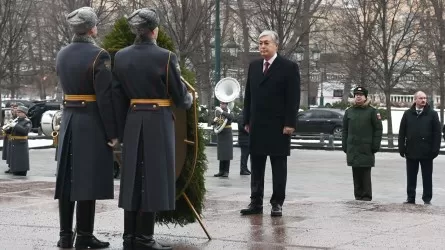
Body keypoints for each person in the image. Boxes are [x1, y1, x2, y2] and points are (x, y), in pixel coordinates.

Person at [112, 8, 193, 250]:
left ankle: (129, 236)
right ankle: (145, 238)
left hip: (133, 119)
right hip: (158, 121)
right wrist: (189, 99)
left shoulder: (121, 57)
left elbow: (117, 97)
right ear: (154, 31)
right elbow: (180, 97)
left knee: (132, 179)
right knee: (154, 178)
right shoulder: (166, 57)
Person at [54, 6, 118, 249]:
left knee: (67, 181)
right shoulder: (99, 55)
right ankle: (84, 234)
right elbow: (104, 98)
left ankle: (64, 236)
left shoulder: (62, 54)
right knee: (87, 180)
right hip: (91, 122)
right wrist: (112, 133)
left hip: (69, 119)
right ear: (91, 29)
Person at [240, 30, 300, 217]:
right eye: (260, 43)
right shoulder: (254, 66)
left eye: (266, 43)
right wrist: (246, 119)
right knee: (256, 165)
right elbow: (248, 96)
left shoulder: (288, 67)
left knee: (278, 166)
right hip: (257, 125)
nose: (263, 47)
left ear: (276, 45)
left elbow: (293, 98)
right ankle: (255, 202)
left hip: (279, 126)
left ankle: (277, 203)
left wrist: (290, 123)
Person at [398, 91, 441, 205]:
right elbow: (402, 132)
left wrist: (435, 149)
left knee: (427, 176)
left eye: (425, 98)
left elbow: (437, 133)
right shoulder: (408, 114)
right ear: (415, 100)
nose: (423, 100)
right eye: (421, 98)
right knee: (411, 176)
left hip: (427, 151)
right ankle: (410, 197)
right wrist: (401, 148)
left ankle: (427, 198)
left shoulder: (432, 114)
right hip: (411, 150)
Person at [342, 87, 383, 201]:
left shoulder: (372, 111)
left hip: (366, 147)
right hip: (353, 147)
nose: (358, 96)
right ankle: (358, 195)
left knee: (365, 172)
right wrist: (344, 144)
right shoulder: (349, 111)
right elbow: (345, 130)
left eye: (360, 94)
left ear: (365, 97)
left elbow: (378, 129)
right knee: (355, 172)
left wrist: (375, 145)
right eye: (356, 94)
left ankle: (366, 196)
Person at [4, 105, 32, 176]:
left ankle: (21, 171)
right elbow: (11, 131)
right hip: (14, 143)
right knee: (14, 159)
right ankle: (14, 169)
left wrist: (15, 125)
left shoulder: (27, 121)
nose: (17, 113)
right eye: (17, 112)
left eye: (19, 112)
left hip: (21, 143)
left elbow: (25, 131)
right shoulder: (16, 120)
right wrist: (7, 128)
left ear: (24, 113)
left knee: (21, 159)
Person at [212, 101, 234, 177]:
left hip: (227, 134)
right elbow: (216, 122)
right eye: (221, 104)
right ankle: (221, 171)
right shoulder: (218, 112)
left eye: (223, 104)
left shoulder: (229, 111)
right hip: (221, 134)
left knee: (227, 153)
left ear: (226, 104)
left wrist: (222, 112)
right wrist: (213, 121)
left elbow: (231, 117)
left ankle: (226, 171)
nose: (221, 105)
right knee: (221, 153)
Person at [3, 103, 18, 174]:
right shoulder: (8, 115)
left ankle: (14, 167)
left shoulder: (18, 116)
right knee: (8, 153)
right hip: (8, 136)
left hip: (15, 137)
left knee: (13, 153)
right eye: (12, 108)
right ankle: (10, 166)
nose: (13, 109)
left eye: (15, 107)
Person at [237, 109, 251, 175]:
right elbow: (242, 127)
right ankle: (242, 170)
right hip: (244, 140)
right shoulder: (241, 116)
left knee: (246, 155)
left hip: (246, 139)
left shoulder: (244, 115)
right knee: (244, 155)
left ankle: (245, 168)